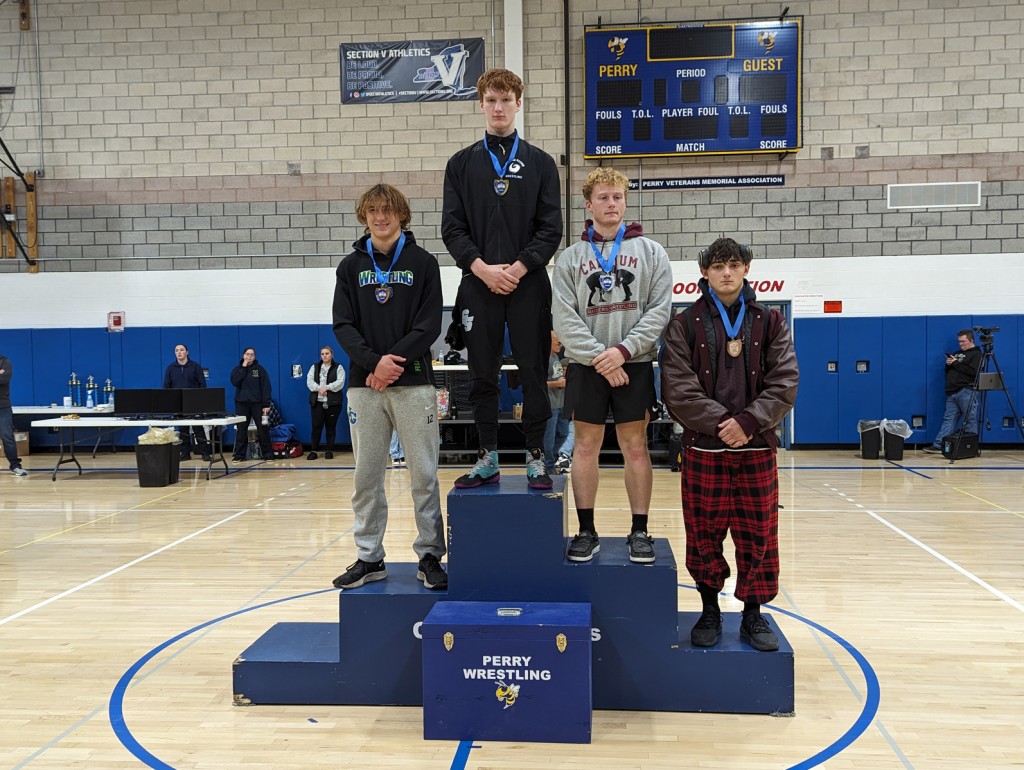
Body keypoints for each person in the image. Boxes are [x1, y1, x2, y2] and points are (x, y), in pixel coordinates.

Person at [660, 237, 799, 652]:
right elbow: (677, 387)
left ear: (746, 269)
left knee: (759, 535)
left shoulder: (771, 321)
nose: (726, 273)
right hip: (705, 449)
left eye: (734, 265)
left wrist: (749, 422)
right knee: (703, 534)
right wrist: (725, 424)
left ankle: (753, 614)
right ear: (704, 272)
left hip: (756, 449)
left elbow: (785, 380)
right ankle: (709, 610)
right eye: (718, 266)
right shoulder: (684, 324)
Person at [442, 67, 563, 490]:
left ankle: (536, 458)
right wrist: (481, 269)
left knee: (534, 370)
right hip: (478, 283)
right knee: (481, 372)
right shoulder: (460, 165)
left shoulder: (541, 163)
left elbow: (551, 228)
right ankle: (487, 457)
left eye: (505, 100)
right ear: (481, 104)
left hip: (528, 283)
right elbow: (452, 229)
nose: (498, 107)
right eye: (491, 100)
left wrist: (518, 267)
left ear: (518, 104)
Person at [552, 167, 672, 564]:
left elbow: (660, 311)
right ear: (588, 205)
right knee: (585, 446)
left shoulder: (652, 252)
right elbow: (564, 318)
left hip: (632, 364)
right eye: (603, 197)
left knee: (635, 447)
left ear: (625, 201)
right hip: (587, 366)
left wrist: (623, 351)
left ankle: (640, 531)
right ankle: (586, 531)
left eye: (617, 196)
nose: (611, 203)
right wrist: (600, 358)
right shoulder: (570, 258)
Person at [331, 183, 447, 591]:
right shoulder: (350, 267)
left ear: (402, 214)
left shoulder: (423, 262)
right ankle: (369, 557)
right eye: (373, 210)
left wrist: (388, 364)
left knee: (424, 475)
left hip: (413, 383)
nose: (380, 217)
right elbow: (343, 325)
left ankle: (429, 555)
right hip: (364, 386)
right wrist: (372, 363)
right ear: (364, 216)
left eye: (388, 210)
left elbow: (429, 325)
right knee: (366, 476)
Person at [923, 329, 983, 453]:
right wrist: (949, 364)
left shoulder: (977, 354)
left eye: (963, 341)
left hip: (967, 390)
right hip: (952, 392)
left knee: (969, 419)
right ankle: (939, 445)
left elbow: (973, 372)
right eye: (959, 341)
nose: (960, 344)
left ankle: (971, 446)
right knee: (949, 419)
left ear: (971, 340)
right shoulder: (957, 353)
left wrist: (955, 363)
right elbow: (950, 371)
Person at [163, 343, 211, 461]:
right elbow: (166, 387)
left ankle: (205, 453)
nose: (179, 352)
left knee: (198, 429)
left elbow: (202, 384)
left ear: (187, 352)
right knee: (183, 429)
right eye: (176, 350)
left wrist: (200, 400)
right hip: (178, 403)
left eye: (181, 350)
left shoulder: (195, 366)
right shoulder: (170, 368)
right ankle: (185, 453)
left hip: (194, 403)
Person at [229, 347, 273, 462]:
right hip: (241, 404)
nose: (249, 356)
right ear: (243, 355)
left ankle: (268, 454)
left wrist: (266, 404)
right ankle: (239, 455)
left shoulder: (260, 370)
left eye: (252, 354)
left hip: (257, 404)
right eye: (247, 354)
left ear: (254, 357)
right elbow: (235, 382)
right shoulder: (237, 369)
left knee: (263, 429)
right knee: (241, 430)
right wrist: (243, 368)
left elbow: (266, 387)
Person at [306, 346, 345, 460]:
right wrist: (319, 388)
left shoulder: (338, 367)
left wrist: (327, 387)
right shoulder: (315, 367)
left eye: (327, 353)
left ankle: (329, 450)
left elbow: (340, 382)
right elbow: (309, 381)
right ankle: (313, 450)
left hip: (333, 403)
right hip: (317, 402)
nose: (324, 356)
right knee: (316, 427)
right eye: (322, 354)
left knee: (331, 427)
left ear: (332, 354)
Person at [543, 330, 574, 474]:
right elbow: (538, 384)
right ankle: (548, 466)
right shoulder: (544, 360)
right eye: (558, 342)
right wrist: (557, 383)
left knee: (564, 433)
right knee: (548, 438)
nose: (560, 345)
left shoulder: (556, 357)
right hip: (550, 405)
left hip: (561, 404)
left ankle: (555, 459)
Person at [0, 353, 28, 477]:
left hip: (2, 407)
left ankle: (15, 466)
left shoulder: (5, 362)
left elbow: (3, 379)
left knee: (7, 437)